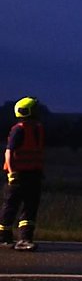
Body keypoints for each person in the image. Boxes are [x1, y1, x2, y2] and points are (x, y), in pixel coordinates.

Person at [0, 97, 45, 251]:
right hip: (19, 176)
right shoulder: (19, 129)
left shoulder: (37, 128)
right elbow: (8, 153)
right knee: (10, 206)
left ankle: (25, 239)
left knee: (30, 207)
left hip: (33, 175)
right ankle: (4, 238)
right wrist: (12, 174)